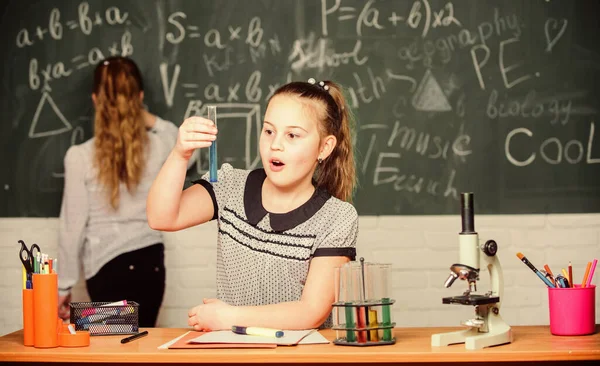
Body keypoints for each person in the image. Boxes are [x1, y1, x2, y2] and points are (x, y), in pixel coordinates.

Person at [146, 78, 359, 331]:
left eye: (292, 135)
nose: (275, 144)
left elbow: (310, 312)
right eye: (269, 131)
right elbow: (161, 217)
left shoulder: (338, 217)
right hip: (236, 355)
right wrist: (180, 153)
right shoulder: (230, 185)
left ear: (324, 147)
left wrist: (228, 317)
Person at [57, 56, 195, 327]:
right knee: (140, 348)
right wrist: (140, 113)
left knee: (112, 350)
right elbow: (186, 146)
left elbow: (72, 227)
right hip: (150, 265)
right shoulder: (159, 146)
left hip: (106, 270)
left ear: (96, 99)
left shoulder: (79, 156)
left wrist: (63, 286)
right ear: (139, 98)